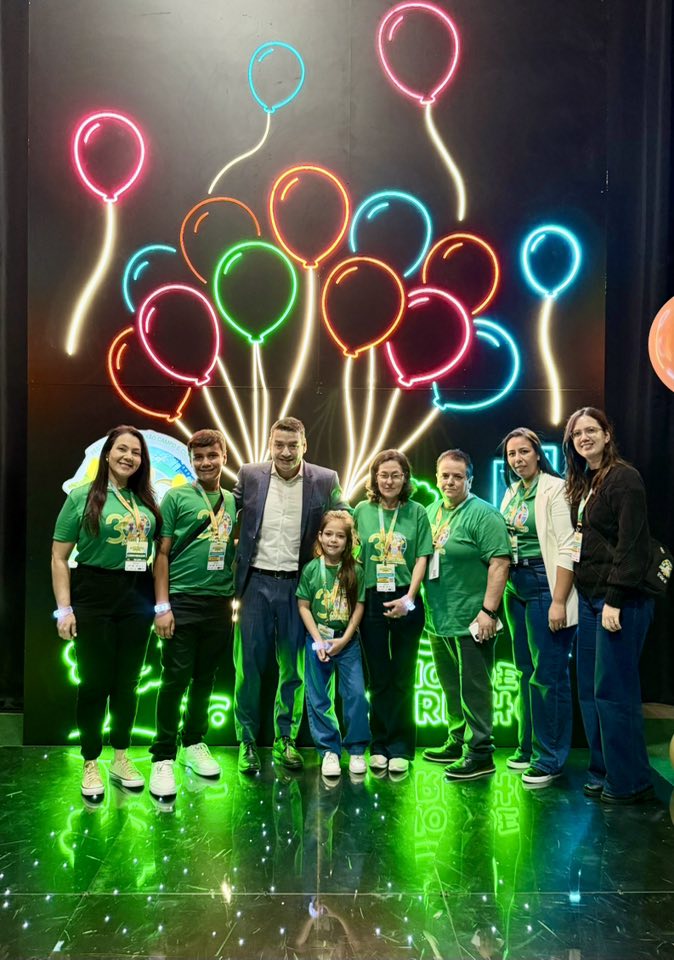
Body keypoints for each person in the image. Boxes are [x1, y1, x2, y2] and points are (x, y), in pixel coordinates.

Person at [51, 425, 161, 800]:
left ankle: (121, 757)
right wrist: (64, 609)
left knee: (127, 683)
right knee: (95, 683)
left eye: (136, 452)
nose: (129, 457)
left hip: (137, 594)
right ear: (108, 453)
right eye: (122, 449)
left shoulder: (146, 498)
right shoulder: (82, 496)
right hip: (93, 592)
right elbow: (59, 556)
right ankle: (90, 760)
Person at [233, 416, 347, 775]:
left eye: (292, 445)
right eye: (279, 445)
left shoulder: (324, 479)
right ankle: (247, 740)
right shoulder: (250, 475)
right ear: (270, 444)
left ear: (304, 446)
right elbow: (222, 511)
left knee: (294, 669)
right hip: (254, 583)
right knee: (248, 667)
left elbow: (344, 516)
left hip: (299, 588)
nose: (285, 452)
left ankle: (286, 738)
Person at [563, 406, 654, 804]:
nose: (584, 438)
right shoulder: (585, 482)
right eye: (576, 434)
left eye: (590, 430)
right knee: (589, 690)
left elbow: (633, 546)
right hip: (588, 600)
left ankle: (630, 780)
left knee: (614, 692)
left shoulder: (624, 478)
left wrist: (615, 599)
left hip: (619, 601)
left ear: (606, 433)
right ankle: (602, 769)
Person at [149, 429, 236, 799]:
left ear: (224, 457)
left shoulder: (232, 501)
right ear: (191, 460)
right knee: (175, 679)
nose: (206, 463)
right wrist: (162, 606)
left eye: (212, 456)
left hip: (219, 602)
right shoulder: (176, 496)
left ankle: (194, 742)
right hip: (181, 601)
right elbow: (162, 553)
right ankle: (163, 755)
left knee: (205, 678)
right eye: (198, 457)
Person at [422, 449, 510, 781]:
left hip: (472, 620)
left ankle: (480, 751)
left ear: (469, 480)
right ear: (436, 478)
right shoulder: (431, 511)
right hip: (438, 619)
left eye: (457, 476)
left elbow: (500, 563)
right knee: (450, 686)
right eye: (445, 475)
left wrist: (488, 612)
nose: (450, 481)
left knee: (474, 687)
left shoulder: (484, 515)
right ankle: (457, 739)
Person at [498, 427, 578, 787]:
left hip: (545, 584)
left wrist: (559, 600)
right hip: (515, 585)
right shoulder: (513, 491)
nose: (518, 459)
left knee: (548, 675)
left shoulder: (555, 488)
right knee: (524, 670)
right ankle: (528, 748)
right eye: (512, 454)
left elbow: (567, 545)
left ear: (538, 453)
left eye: (524, 452)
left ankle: (550, 758)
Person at [353, 450, 433, 776]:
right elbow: (355, 556)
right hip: (371, 599)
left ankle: (401, 746)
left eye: (395, 475)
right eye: (383, 475)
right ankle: (379, 744)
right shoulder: (361, 510)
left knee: (403, 676)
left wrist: (409, 599)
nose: (389, 481)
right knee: (378, 677)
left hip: (406, 597)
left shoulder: (417, 512)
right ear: (375, 478)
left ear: (405, 479)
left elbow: (422, 557)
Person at [297, 510, 369, 779]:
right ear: (319, 536)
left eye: (340, 536)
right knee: (318, 697)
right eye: (328, 534)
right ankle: (329, 750)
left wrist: (345, 639)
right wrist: (318, 640)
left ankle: (357, 749)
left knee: (356, 695)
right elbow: (303, 606)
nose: (333, 540)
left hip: (346, 642)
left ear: (348, 541)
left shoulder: (356, 570)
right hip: (318, 641)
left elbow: (359, 606)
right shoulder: (310, 569)